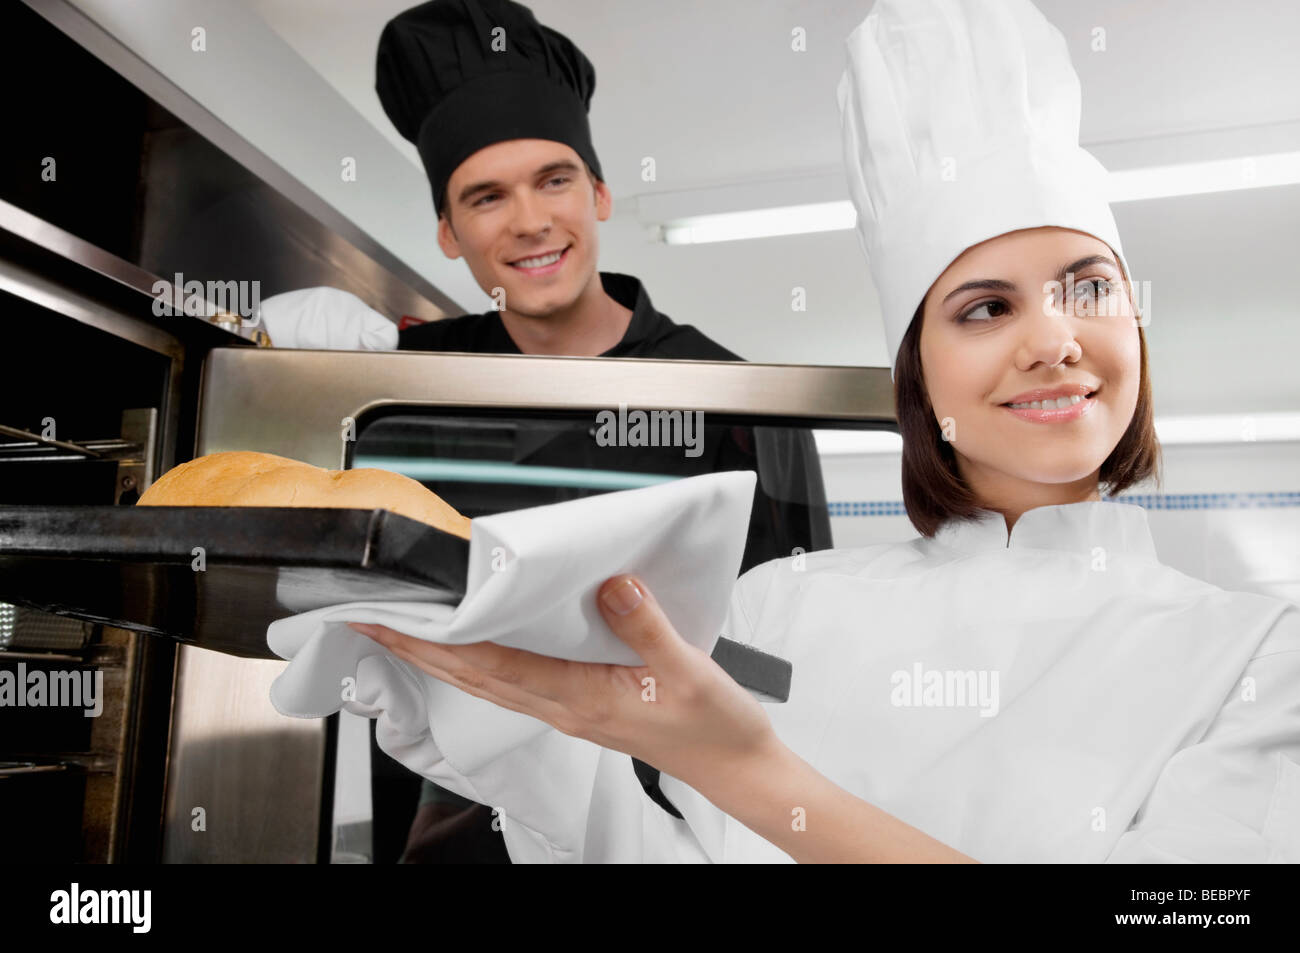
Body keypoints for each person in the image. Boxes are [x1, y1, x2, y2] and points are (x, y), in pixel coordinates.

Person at [346, 0, 1300, 863]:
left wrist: (745, 764)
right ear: (916, 372)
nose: (1054, 339)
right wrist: (504, 750)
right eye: (984, 308)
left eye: (1089, 286)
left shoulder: (1261, 656)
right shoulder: (783, 612)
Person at [370, 0, 831, 862]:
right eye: (486, 197)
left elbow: (788, 663)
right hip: (456, 820)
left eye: (554, 180)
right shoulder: (401, 390)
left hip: (677, 828)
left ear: (601, 192)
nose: (531, 221)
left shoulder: (733, 402)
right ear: (447, 230)